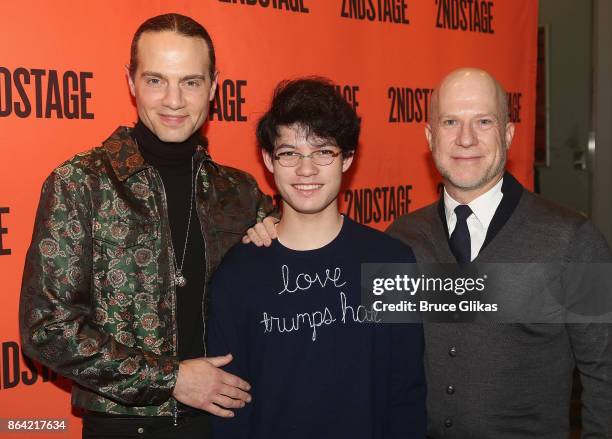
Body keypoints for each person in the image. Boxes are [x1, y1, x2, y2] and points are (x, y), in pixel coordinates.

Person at [19, 13, 276, 439]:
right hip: (123, 426)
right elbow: (46, 326)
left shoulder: (240, 192)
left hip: (229, 423)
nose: (173, 100)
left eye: (191, 82)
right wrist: (170, 378)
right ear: (131, 81)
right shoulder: (81, 184)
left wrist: (276, 227)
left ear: (213, 87)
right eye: (157, 80)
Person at [387, 68, 612, 438]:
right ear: (430, 137)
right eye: (450, 121)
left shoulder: (574, 240)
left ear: (508, 134)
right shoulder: (401, 239)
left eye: (484, 121)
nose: (465, 138)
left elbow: (605, 373)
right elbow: (371, 359)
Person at [207, 78, 426, 438]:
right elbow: (230, 407)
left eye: (323, 152)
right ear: (268, 160)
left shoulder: (390, 262)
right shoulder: (239, 273)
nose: (305, 170)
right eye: (289, 153)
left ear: (348, 158)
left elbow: (406, 393)